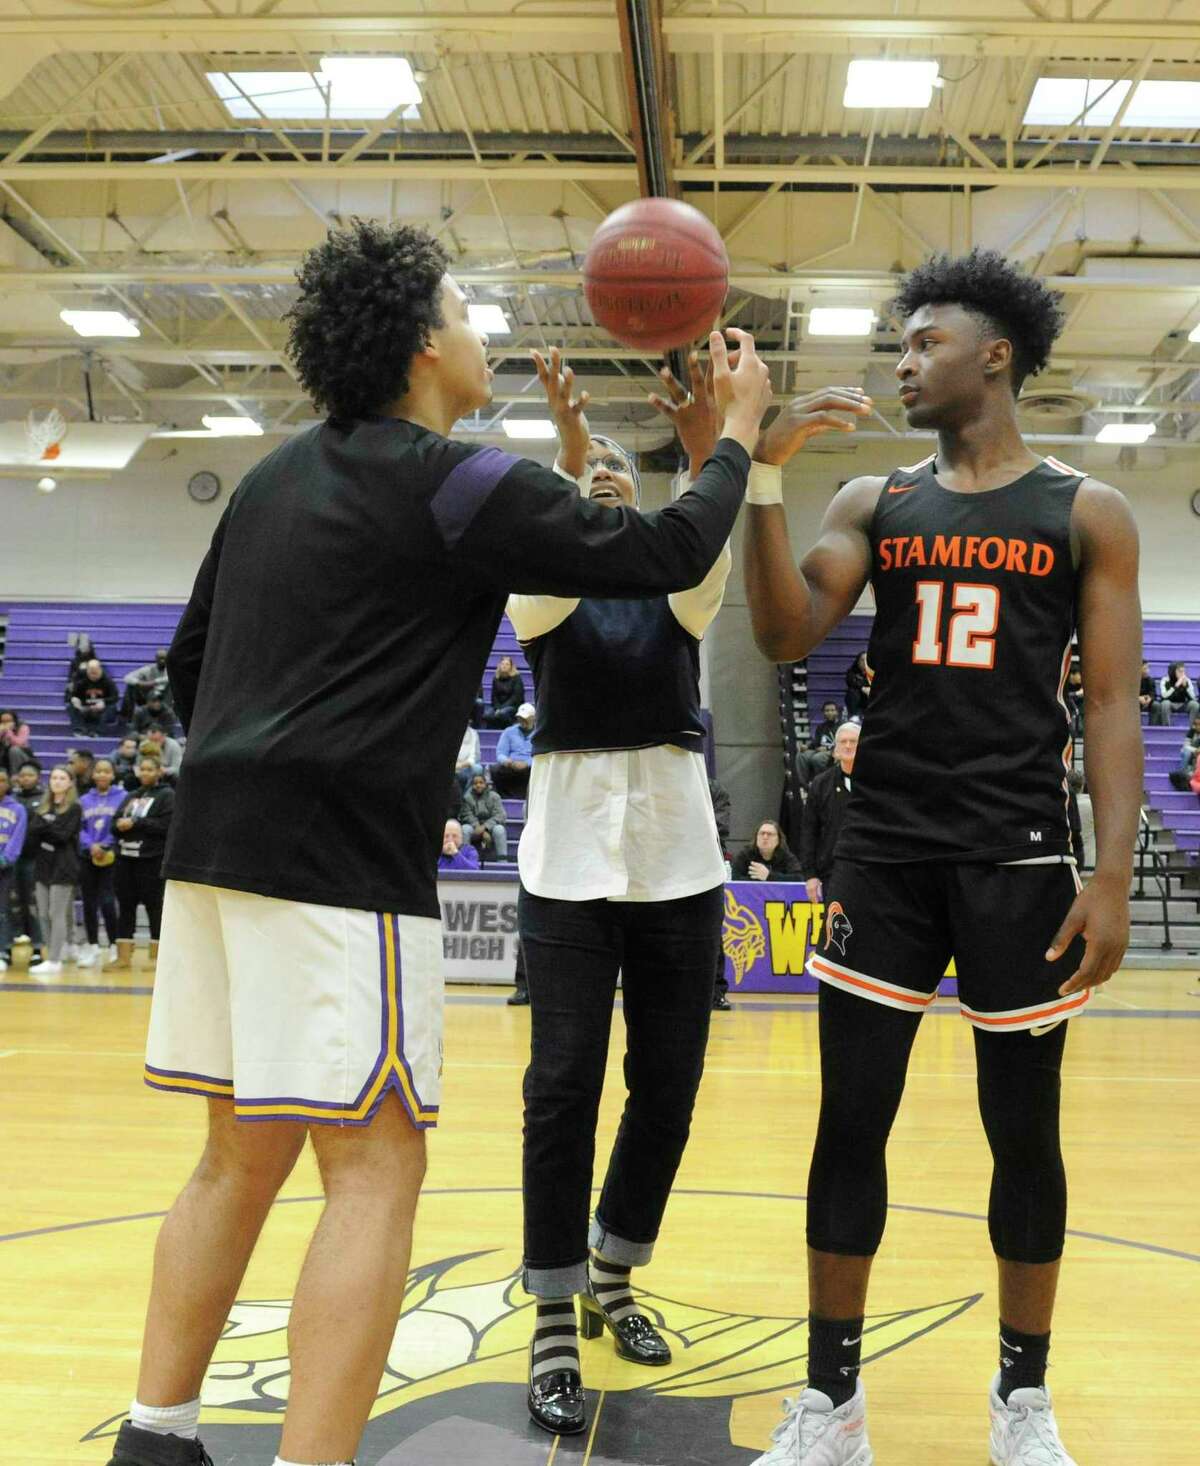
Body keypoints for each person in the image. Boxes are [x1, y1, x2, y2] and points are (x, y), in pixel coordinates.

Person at [107, 216, 769, 1466]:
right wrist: (734, 436)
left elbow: (191, 664)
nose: (481, 333)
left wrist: (268, 753)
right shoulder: (461, 479)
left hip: (212, 851)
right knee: (373, 1170)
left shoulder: (267, 478)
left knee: (233, 1161)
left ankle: (156, 1436)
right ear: (422, 343)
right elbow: (676, 547)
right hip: (338, 866)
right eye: (467, 312)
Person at [742, 249, 1141, 1466]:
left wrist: (1112, 871)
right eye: (900, 345)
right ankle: (832, 1405)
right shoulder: (873, 502)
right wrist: (761, 475)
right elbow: (782, 628)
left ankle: (1023, 1400)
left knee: (1025, 1133)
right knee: (846, 1124)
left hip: (1021, 860)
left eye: (924, 343)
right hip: (887, 853)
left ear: (996, 356)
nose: (902, 362)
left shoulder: (1087, 510)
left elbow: (1117, 702)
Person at [512, 347, 769, 1435]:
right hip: (567, 863)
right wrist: (571, 465)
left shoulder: (680, 589)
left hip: (679, 866)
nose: (608, 471)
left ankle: (619, 1267)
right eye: (591, 469)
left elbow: (705, 541)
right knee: (561, 1084)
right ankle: (557, 1309)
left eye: (622, 463)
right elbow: (551, 565)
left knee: (666, 1085)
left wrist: (720, 446)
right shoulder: (540, 593)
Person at [112, 754, 175, 971]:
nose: (145, 773)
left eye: (150, 769)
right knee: (126, 906)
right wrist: (119, 824)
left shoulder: (167, 795)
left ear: (159, 772)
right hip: (125, 859)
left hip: (150, 860)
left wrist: (137, 822)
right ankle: (123, 957)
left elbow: (166, 825)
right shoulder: (131, 795)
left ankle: (157, 958)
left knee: (154, 906)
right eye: (143, 769)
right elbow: (114, 822)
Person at [28, 765, 82, 977]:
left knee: (56, 913)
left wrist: (45, 826)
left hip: (64, 865)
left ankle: (54, 959)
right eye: (54, 777)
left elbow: (63, 836)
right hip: (43, 864)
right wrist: (49, 826)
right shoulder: (43, 806)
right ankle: (51, 952)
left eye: (62, 778)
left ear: (70, 783)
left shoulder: (74, 808)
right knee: (42, 914)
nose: (57, 781)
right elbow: (33, 832)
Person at [799, 722, 860, 907]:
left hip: (869, 870)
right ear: (835, 749)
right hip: (833, 872)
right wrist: (810, 875)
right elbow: (809, 830)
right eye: (843, 742)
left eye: (853, 741)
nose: (848, 746)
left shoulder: (876, 783)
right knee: (836, 930)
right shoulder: (821, 784)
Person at [78, 757, 123, 968]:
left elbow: (120, 827)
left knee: (107, 901)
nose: (103, 774)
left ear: (113, 775)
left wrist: (104, 845)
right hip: (88, 856)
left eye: (107, 771)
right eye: (99, 771)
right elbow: (78, 828)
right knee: (89, 903)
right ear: (93, 775)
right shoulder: (84, 799)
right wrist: (91, 846)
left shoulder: (123, 797)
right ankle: (93, 946)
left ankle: (114, 944)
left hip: (111, 856)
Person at [11, 762, 44, 966]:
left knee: (34, 904)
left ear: (38, 777)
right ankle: (10, 944)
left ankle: (38, 947)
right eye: (22, 775)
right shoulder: (10, 800)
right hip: (13, 859)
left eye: (30, 775)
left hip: (35, 858)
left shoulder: (43, 799)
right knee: (12, 903)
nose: (25, 779)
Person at [708, 774, 734, 1010]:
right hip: (672, 865)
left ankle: (717, 991)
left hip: (709, 864)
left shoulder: (715, 789)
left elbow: (720, 827)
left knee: (713, 933)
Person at [0, 768, 28, 972]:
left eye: (2, 780)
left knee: (3, 910)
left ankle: (3, 951)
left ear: (9, 783)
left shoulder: (17, 809)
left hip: (5, 868)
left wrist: (5, 858)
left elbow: (17, 839)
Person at [459, 771, 508, 863]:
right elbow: (467, 815)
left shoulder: (495, 797)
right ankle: (465, 860)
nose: (478, 785)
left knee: (500, 829)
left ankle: (503, 861)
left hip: (491, 828)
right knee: (465, 829)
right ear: (471, 785)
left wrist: (485, 827)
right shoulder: (467, 798)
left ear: (486, 784)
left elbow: (500, 815)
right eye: (475, 783)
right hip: (474, 828)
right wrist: (479, 829)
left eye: (481, 783)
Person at [731, 820, 804, 881]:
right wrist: (759, 879)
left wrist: (769, 876)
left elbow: (799, 878)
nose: (765, 837)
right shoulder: (746, 854)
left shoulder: (785, 856)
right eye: (762, 833)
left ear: (778, 840)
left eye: (770, 834)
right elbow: (735, 878)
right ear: (756, 837)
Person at [492, 702, 535, 798]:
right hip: (512, 764)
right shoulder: (509, 731)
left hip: (530, 765)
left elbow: (540, 755)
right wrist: (509, 762)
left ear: (533, 718)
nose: (522, 720)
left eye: (525, 718)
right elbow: (500, 753)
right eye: (520, 718)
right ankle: (505, 797)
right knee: (495, 769)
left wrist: (527, 763)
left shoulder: (539, 733)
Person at [67, 657, 121, 735]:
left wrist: (104, 702)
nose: (93, 676)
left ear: (100, 670)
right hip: (86, 708)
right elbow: (71, 695)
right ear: (87, 671)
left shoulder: (108, 681)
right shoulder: (81, 680)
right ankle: (79, 730)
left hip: (102, 709)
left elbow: (115, 697)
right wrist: (74, 699)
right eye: (91, 673)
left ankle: (97, 732)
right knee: (70, 706)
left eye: (95, 673)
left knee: (111, 707)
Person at [477, 653, 525, 728]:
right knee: (487, 715)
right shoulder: (496, 678)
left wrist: (501, 708)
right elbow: (494, 697)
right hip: (498, 707)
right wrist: (498, 708)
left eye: (507, 664)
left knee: (502, 714)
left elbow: (516, 698)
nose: (504, 666)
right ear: (499, 665)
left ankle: (507, 728)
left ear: (511, 666)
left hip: (513, 706)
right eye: (502, 664)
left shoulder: (517, 678)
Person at [453, 723, 482, 805]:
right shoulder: (450, 732)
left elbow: (473, 757)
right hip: (452, 765)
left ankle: (466, 798)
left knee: (478, 769)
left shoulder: (473, 733)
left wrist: (461, 765)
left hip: (467, 766)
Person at [0, 708, 35, 777]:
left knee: (14, 750)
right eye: (3, 721)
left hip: (21, 757)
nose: (6, 723)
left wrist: (8, 732)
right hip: (4, 757)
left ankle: (16, 777)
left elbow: (19, 743)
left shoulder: (23, 727)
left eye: (9, 721)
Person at [844, 650, 873, 717]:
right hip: (859, 699)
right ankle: (854, 716)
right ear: (858, 662)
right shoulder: (851, 672)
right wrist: (862, 688)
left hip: (871, 698)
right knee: (852, 692)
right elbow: (851, 682)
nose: (865, 662)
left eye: (867, 660)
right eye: (862, 660)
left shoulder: (875, 671)